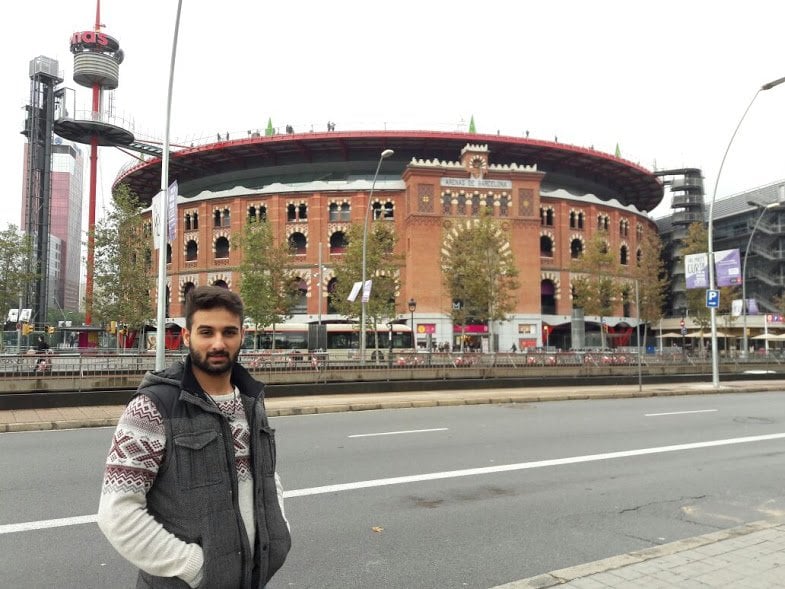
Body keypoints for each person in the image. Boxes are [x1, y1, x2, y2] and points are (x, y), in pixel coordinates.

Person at [98, 285, 291, 588]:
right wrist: (196, 569)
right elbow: (117, 514)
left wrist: (277, 532)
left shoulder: (252, 401)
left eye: (229, 332)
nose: (218, 343)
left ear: (242, 334)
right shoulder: (151, 408)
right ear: (187, 337)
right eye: (206, 332)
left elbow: (268, 476)